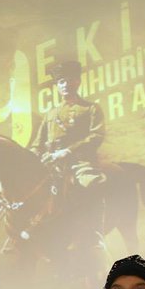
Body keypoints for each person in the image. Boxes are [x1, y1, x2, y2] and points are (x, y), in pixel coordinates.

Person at [31, 60, 106, 192]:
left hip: (79, 161)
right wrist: (32, 156)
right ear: (57, 86)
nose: (65, 85)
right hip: (51, 161)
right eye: (61, 82)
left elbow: (96, 136)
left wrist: (68, 151)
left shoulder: (90, 108)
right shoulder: (51, 113)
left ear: (77, 82)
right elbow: (38, 144)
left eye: (69, 80)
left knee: (90, 184)